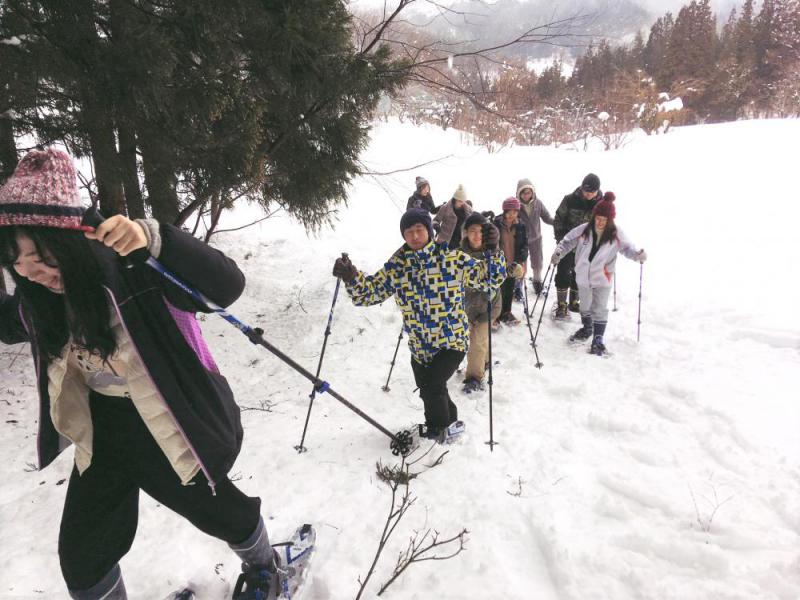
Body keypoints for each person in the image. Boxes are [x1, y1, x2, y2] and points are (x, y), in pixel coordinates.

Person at [0, 149, 281, 600]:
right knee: (82, 557)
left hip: (168, 417)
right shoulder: (39, 302)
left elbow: (227, 286)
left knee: (220, 511)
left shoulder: (131, 268)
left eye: (42, 256)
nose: (33, 273)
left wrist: (155, 239)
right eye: (18, 262)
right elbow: (6, 322)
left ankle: (266, 565)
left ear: (69, 241)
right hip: (104, 431)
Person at [332, 208, 506, 440]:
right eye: (408, 231)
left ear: (429, 231)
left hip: (451, 340)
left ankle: (438, 432)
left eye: (419, 229)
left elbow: (489, 279)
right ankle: (451, 422)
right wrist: (351, 277)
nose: (414, 236)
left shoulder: (451, 259)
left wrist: (494, 251)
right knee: (430, 387)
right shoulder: (398, 266)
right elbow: (369, 293)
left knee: (432, 385)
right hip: (420, 346)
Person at [551, 192, 646, 356]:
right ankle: (587, 328)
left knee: (599, 308)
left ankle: (598, 338)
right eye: (598, 218)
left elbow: (628, 249)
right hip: (583, 276)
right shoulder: (584, 229)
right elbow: (567, 241)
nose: (600, 222)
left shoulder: (616, 233)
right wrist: (559, 253)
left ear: (610, 219)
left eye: (604, 219)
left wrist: (638, 255)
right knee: (585, 306)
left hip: (603, 277)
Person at [459, 213, 502, 393]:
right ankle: (486, 360)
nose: (477, 235)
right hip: (467, 306)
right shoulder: (458, 254)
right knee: (475, 339)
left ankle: (474, 378)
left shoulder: (492, 252)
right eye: (472, 231)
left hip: (488, 306)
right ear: (466, 233)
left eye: (480, 231)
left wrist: (494, 251)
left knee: (477, 341)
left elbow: (499, 274)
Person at [553, 173, 602, 319]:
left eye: (592, 192)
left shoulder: (601, 205)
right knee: (563, 273)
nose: (588, 194)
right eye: (586, 191)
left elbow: (605, 224)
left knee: (581, 274)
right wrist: (561, 239)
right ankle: (561, 304)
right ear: (581, 188)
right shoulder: (569, 200)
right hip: (568, 244)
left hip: (587, 246)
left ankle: (574, 301)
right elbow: (558, 219)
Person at [515, 178, 554, 296]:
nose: (526, 195)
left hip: (536, 238)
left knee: (537, 262)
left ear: (532, 192)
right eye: (523, 193)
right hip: (521, 239)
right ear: (519, 193)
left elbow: (547, 217)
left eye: (528, 192)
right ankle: (518, 285)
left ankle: (537, 281)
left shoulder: (538, 203)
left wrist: (557, 223)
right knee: (521, 263)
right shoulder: (516, 205)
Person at [494, 197, 527, 325]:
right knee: (497, 289)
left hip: (513, 262)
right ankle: (494, 315)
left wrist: (522, 258)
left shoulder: (521, 226)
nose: (512, 215)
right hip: (499, 262)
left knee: (509, 288)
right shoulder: (496, 224)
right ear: (504, 211)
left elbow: (525, 244)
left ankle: (506, 313)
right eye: (509, 211)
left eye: (515, 212)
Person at [433, 183, 473, 248]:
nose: (462, 203)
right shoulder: (445, 208)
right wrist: (436, 225)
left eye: (463, 201)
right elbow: (435, 220)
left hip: (460, 243)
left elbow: (474, 220)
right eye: (460, 201)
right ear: (455, 199)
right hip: (445, 241)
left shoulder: (468, 210)